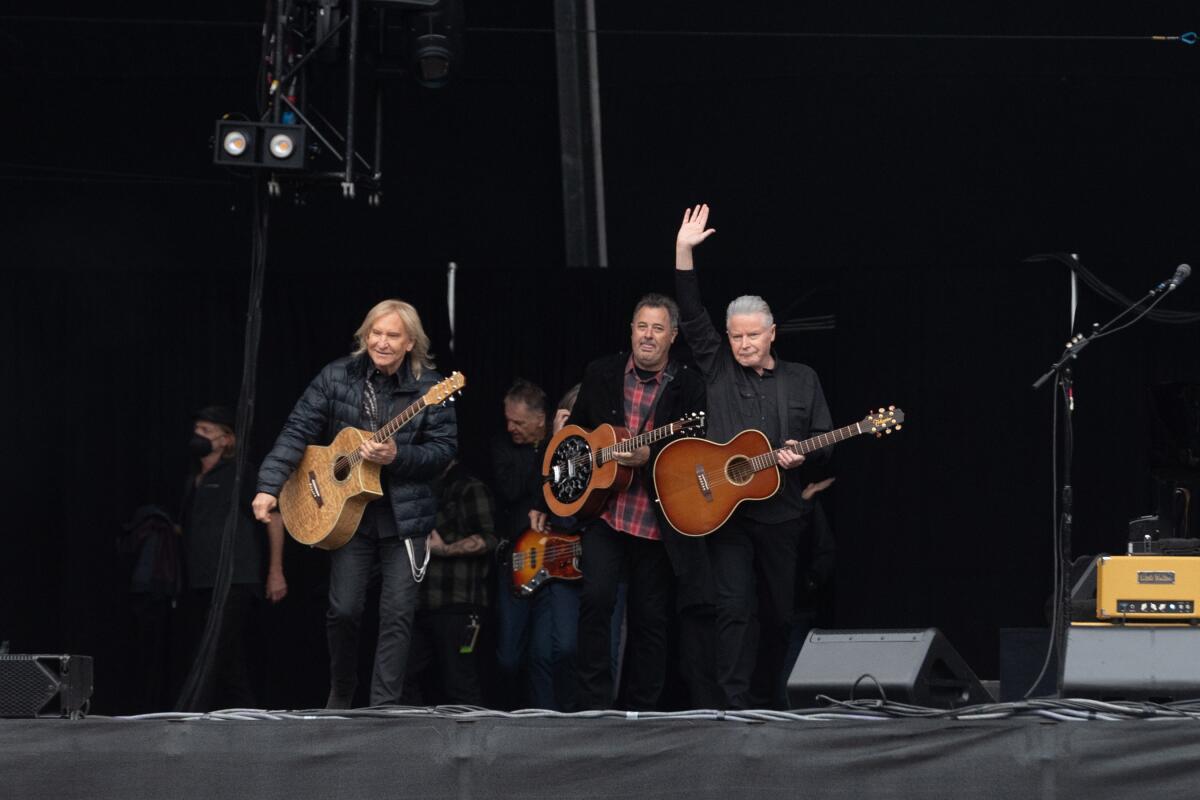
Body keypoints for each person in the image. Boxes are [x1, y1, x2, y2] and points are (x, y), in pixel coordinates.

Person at [253, 299, 457, 708]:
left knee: (398, 615)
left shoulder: (430, 388)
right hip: (348, 516)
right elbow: (298, 428)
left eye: (392, 335)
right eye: (375, 333)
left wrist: (397, 456)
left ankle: (383, 707)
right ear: (365, 336)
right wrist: (269, 485)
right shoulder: (336, 376)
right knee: (343, 611)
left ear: (410, 342)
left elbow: (443, 453)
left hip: (404, 519)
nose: (381, 342)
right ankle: (342, 691)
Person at [674, 204, 833, 709]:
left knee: (780, 615)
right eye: (736, 336)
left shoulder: (802, 380)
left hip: (783, 513)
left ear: (771, 334)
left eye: (751, 336)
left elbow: (825, 441)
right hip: (728, 513)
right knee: (732, 608)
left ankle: (770, 702)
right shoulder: (717, 365)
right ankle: (733, 703)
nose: (742, 344)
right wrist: (683, 251)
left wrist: (802, 458)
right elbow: (691, 309)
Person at [531, 294, 707, 711]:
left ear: (673, 336)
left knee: (650, 619)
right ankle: (595, 705)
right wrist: (561, 484)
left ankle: (642, 710)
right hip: (605, 514)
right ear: (631, 330)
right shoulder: (602, 372)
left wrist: (650, 457)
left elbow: (697, 446)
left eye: (658, 328)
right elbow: (575, 434)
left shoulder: (689, 385)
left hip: (655, 521)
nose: (648, 336)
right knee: (596, 602)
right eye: (642, 326)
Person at [180, 405, 287, 710]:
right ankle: (247, 713)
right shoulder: (194, 478)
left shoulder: (241, 475)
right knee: (227, 657)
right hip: (201, 579)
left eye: (206, 432)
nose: (197, 437)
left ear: (226, 439)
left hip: (236, 578)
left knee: (217, 647)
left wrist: (275, 571)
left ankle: (193, 712)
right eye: (196, 431)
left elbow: (274, 519)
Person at [489, 380, 580, 710]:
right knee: (508, 657)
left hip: (554, 561)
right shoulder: (503, 448)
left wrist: (555, 444)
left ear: (542, 418)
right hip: (516, 560)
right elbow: (512, 488)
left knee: (546, 653)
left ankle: (544, 719)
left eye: (519, 422)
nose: (511, 427)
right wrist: (549, 449)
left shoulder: (560, 447)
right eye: (508, 420)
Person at [402, 458, 496, 706]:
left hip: (459, 603)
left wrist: (444, 549)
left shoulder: (469, 487)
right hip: (422, 602)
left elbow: (490, 539)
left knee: (460, 683)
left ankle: (472, 743)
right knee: (401, 676)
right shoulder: (424, 491)